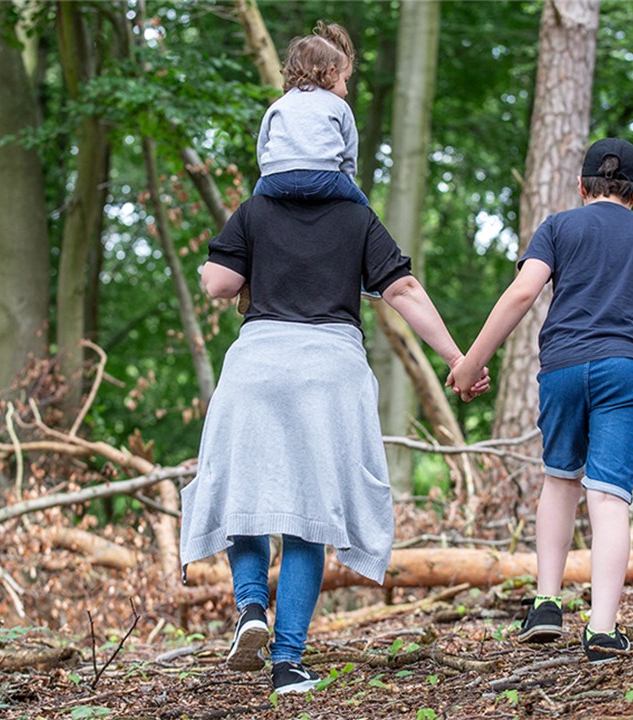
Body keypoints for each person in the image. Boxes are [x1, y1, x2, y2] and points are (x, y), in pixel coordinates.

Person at [181, 192, 482, 694]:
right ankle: (288, 662)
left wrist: (220, 265)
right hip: (329, 373)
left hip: (255, 369)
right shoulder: (356, 216)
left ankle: (252, 605)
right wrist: (457, 358)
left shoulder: (255, 212)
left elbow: (219, 283)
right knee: (311, 515)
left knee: (243, 500)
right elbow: (403, 289)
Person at [448, 137, 633, 664]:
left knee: (559, 480)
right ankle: (602, 630)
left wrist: (469, 361)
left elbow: (521, 294)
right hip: (626, 372)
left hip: (561, 367)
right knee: (607, 498)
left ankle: (545, 604)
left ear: (581, 186)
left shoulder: (558, 227)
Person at [252, 21, 368, 207]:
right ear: (331, 72)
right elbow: (349, 156)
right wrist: (346, 184)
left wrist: (270, 174)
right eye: (345, 80)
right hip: (323, 178)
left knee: (254, 205)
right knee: (362, 207)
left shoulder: (279, 105)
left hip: (276, 179)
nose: (346, 90)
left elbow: (263, 147)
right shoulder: (339, 105)